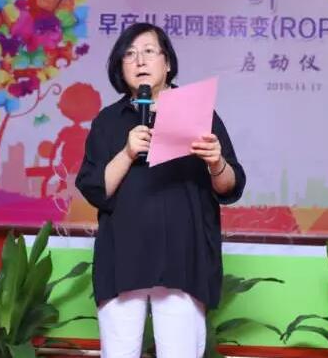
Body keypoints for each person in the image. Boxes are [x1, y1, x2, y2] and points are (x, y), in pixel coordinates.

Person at [76, 23, 246, 358]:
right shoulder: (108, 121)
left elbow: (231, 186)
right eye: (129, 54)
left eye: (149, 51)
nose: (139, 60)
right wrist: (127, 153)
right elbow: (95, 190)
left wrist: (216, 162)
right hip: (123, 258)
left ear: (167, 62)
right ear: (120, 67)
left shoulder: (198, 114)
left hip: (183, 257)